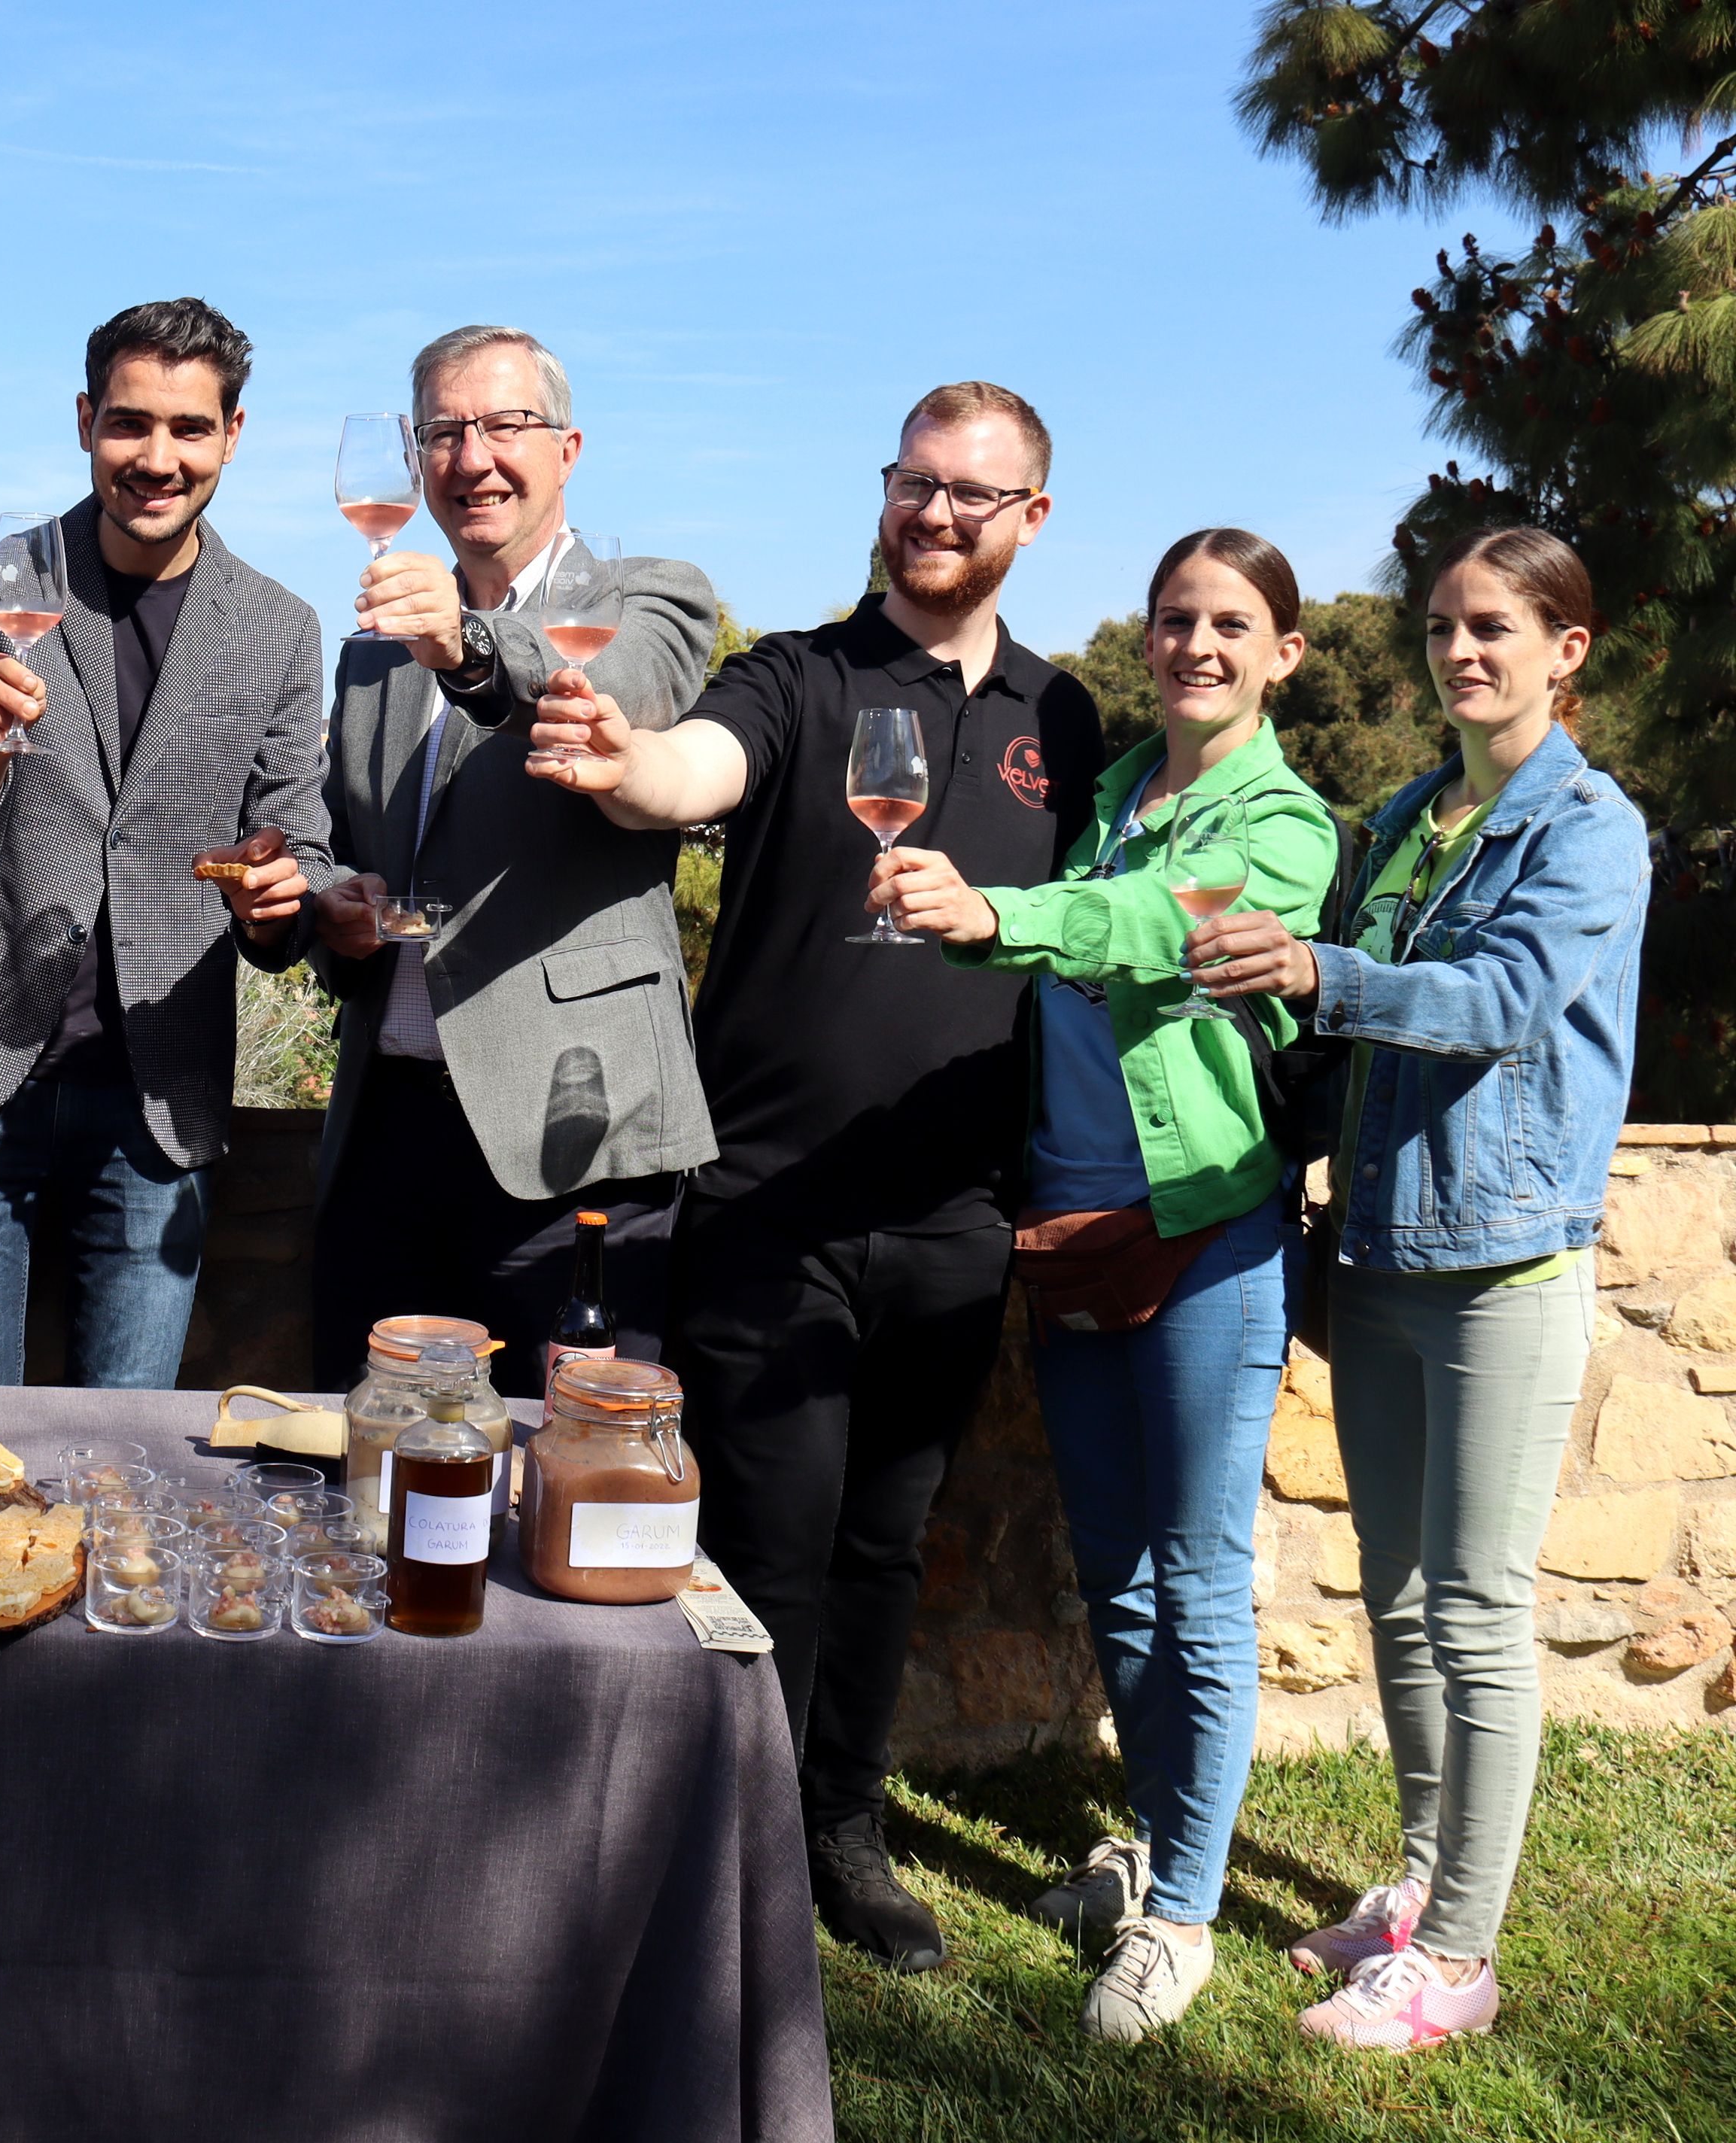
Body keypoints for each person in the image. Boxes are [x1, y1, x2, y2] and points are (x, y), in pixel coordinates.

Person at [525, 381, 1106, 1971]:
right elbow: (689, 770)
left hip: (959, 1202)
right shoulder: (798, 674)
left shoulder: (1068, 722)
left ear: (1030, 520)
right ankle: (736, 1835)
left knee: (886, 1540)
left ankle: (840, 1822)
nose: (931, 514)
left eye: (969, 495)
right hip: (772, 1199)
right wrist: (621, 757)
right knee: (767, 1539)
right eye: (912, 482)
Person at [870, 529, 1339, 2039]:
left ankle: (1187, 1911)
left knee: (1198, 1581)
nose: (1196, 643)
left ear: (1286, 651)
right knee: (1120, 1573)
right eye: (1174, 618)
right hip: (1068, 1226)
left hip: (1200, 1228)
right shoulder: (1121, 784)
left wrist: (997, 915)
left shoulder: (1284, 820)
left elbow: (1167, 928)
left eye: (1231, 624)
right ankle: (1156, 1837)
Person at [1196, 526, 1646, 2052]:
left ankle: (1459, 1953)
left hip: (1504, 1258)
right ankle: (1417, 1883)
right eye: (1447, 626)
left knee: (1474, 1610)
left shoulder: (1587, 828)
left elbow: (1499, 1002)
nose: (1463, 651)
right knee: (1396, 1606)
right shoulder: (1406, 812)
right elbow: (1343, 1043)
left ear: (1564, 650)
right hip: (1378, 1249)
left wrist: (1319, 973)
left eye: (1496, 628)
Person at [0, 298, 330, 1387]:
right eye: (130, 424)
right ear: (86, 420)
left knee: (123, 1451)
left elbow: (302, 846)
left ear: (233, 434)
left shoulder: (279, 627)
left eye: (189, 429)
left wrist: (283, 899)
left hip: (159, 1098)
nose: (157, 457)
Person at [306, 324, 719, 1395]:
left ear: (568, 450)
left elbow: (613, 702)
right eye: (444, 432)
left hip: (571, 1141)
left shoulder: (654, 597)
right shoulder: (368, 654)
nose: (472, 457)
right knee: (367, 1477)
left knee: (559, 1489)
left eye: (505, 425)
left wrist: (470, 646)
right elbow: (346, 855)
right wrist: (326, 912)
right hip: (387, 1143)